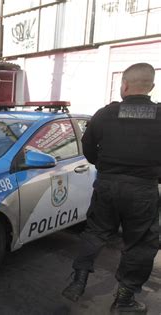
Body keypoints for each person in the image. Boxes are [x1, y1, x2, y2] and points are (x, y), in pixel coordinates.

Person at [62, 63, 160, 314]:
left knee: (95, 232)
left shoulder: (105, 114)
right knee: (139, 244)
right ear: (151, 86)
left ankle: (77, 282)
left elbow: (88, 147)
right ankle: (124, 299)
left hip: (107, 185)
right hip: (142, 190)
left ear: (124, 86)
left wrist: (104, 167)